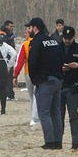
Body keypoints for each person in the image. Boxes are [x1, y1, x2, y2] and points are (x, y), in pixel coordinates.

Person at [26, 17, 64, 149]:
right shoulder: (53, 41)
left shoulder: (36, 42)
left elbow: (32, 62)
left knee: (44, 113)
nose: (28, 30)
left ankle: (50, 142)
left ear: (35, 28)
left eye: (29, 28)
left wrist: (36, 80)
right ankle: (58, 142)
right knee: (56, 112)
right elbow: (61, 58)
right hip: (57, 80)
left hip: (45, 81)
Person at [59, 26, 78, 149]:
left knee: (73, 116)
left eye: (69, 38)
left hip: (73, 87)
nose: (67, 41)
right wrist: (60, 68)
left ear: (74, 37)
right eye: (65, 38)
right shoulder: (57, 48)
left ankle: (75, 143)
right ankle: (58, 142)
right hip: (59, 86)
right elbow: (49, 65)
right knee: (59, 116)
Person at [12, 27, 39, 126]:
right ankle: (36, 117)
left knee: (32, 97)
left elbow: (19, 62)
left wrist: (15, 75)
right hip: (39, 73)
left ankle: (34, 117)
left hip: (28, 73)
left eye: (26, 33)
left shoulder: (25, 45)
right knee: (37, 95)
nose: (25, 34)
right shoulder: (39, 43)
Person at [0, 20, 16, 101]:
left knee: (9, 76)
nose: (12, 28)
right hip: (4, 59)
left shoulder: (11, 35)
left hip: (11, 59)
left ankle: (9, 93)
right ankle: (5, 94)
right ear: (6, 26)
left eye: (13, 26)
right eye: (10, 26)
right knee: (5, 77)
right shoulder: (2, 35)